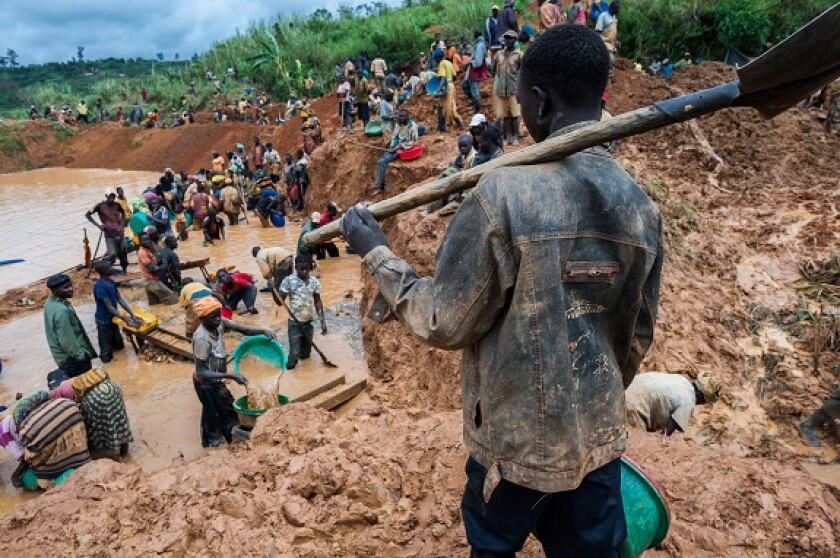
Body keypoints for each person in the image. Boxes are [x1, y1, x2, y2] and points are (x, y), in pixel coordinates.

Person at [340, 24, 663, 556]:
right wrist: (589, 395)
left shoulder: (502, 195)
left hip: (512, 455)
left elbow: (444, 320)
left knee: (493, 549)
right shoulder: (639, 207)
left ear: (537, 100)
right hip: (596, 446)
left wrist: (378, 253)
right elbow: (637, 335)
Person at [191, 297, 275, 447]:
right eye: (213, 316)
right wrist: (230, 376)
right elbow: (201, 371)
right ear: (202, 318)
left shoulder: (219, 322)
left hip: (217, 378)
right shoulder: (201, 339)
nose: (218, 318)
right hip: (206, 383)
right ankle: (231, 442)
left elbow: (243, 329)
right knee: (226, 410)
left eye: (218, 313)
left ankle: (209, 441)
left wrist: (263, 331)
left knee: (210, 410)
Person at [49, 368, 133, 459]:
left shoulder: (59, 395)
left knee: (102, 428)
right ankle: (125, 453)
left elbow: (73, 412)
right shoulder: (71, 381)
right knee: (118, 419)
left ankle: (112, 454)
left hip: (96, 398)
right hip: (112, 388)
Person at [13, 391, 90, 487]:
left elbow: (31, 457)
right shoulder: (65, 402)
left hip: (54, 468)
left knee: (30, 478)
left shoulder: (27, 428)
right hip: (82, 456)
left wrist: (15, 475)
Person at [625, 372, 720, 435]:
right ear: (700, 395)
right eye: (703, 401)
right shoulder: (688, 401)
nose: (700, 404)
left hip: (626, 389)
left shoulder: (681, 379)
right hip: (635, 407)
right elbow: (666, 433)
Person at [44, 274, 98, 378]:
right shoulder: (61, 311)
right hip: (73, 360)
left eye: (70, 285)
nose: (71, 289)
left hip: (62, 358)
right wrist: (81, 357)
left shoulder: (50, 302)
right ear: (54, 290)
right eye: (65, 288)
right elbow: (67, 341)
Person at [278, 255, 327, 370]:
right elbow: (280, 302)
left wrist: (322, 321)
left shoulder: (314, 281)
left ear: (310, 267)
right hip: (295, 323)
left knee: (306, 354)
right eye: (301, 269)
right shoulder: (288, 281)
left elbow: (318, 301)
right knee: (294, 354)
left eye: (307, 269)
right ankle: (289, 370)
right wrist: (273, 290)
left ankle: (305, 370)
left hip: (308, 321)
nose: (304, 271)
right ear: (296, 267)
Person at [92, 260, 137, 364]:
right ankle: (107, 365)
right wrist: (124, 318)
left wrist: (131, 313)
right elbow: (109, 307)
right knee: (106, 348)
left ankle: (119, 364)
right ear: (104, 271)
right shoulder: (100, 287)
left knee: (119, 345)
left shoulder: (111, 282)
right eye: (109, 267)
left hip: (113, 317)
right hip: (103, 319)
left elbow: (120, 299)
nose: (112, 268)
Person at [423, 134, 477, 216]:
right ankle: (430, 209)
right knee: (441, 185)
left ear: (471, 145)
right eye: (460, 146)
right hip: (460, 180)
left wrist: (463, 196)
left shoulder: (474, 158)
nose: (462, 148)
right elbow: (455, 166)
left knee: (449, 195)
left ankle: (433, 210)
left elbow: (472, 180)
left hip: (465, 186)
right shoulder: (463, 155)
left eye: (465, 146)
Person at [373, 109, 418, 194]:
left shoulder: (412, 126)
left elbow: (414, 141)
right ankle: (380, 184)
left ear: (407, 116)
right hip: (396, 147)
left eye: (403, 116)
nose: (401, 118)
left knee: (382, 161)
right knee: (382, 158)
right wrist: (392, 146)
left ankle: (378, 186)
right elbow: (394, 136)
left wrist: (400, 146)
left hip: (405, 149)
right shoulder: (398, 124)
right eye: (400, 116)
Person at [86, 188, 128, 274]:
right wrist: (98, 226)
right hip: (109, 235)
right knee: (112, 256)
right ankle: (108, 273)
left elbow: (123, 214)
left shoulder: (117, 205)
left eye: (113, 196)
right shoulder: (100, 206)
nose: (111, 198)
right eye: (110, 196)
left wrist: (122, 224)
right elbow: (88, 215)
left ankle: (125, 272)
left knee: (123, 255)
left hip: (120, 234)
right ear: (106, 196)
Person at [493, 30, 524, 146]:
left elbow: (523, 71)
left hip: (514, 89)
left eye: (510, 38)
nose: (508, 40)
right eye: (506, 38)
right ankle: (508, 137)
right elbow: (494, 70)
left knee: (515, 115)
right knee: (505, 116)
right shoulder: (498, 54)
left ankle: (516, 136)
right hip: (501, 90)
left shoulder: (519, 55)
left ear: (515, 40)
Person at [138, 232, 177, 305]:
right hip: (151, 280)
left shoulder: (148, 249)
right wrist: (163, 267)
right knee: (171, 297)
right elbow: (151, 268)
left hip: (149, 279)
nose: (146, 242)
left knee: (154, 304)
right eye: (144, 240)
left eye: (147, 239)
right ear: (140, 242)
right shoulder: (142, 252)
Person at [433, 50, 465, 131]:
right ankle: (460, 126)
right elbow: (454, 77)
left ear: (438, 58)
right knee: (448, 107)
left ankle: (443, 128)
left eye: (436, 59)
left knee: (444, 108)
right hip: (451, 86)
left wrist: (438, 91)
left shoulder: (441, 64)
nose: (435, 61)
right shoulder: (449, 63)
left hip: (446, 88)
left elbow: (443, 79)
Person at [463, 30, 489, 112]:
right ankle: (475, 104)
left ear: (475, 35)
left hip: (475, 69)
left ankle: (477, 109)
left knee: (474, 89)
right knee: (465, 85)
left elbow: (478, 62)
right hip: (473, 68)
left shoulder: (479, 45)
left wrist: (469, 63)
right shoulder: (478, 44)